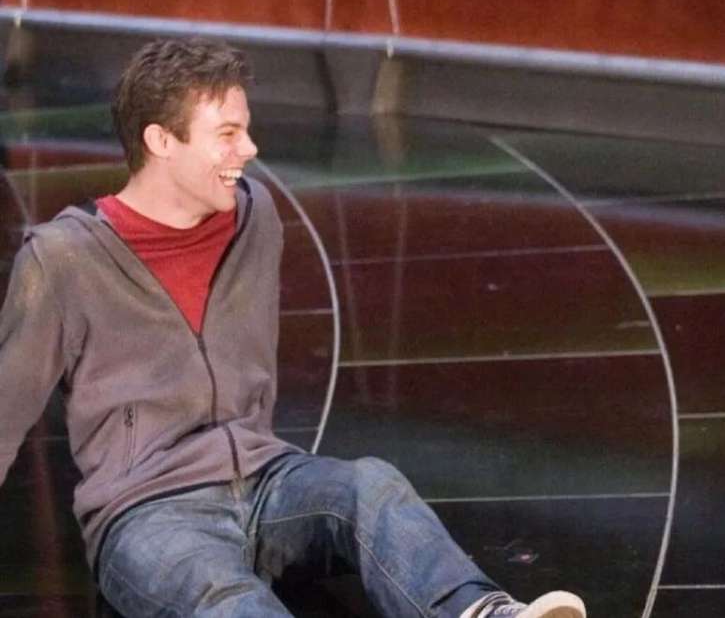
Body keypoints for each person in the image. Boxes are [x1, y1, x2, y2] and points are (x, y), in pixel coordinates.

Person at [0, 37, 586, 618]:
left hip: (265, 479)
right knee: (225, 598)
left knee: (371, 487)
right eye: (227, 133)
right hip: (147, 512)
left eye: (246, 129)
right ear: (161, 141)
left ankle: (478, 612)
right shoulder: (63, 259)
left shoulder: (255, 216)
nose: (249, 148)